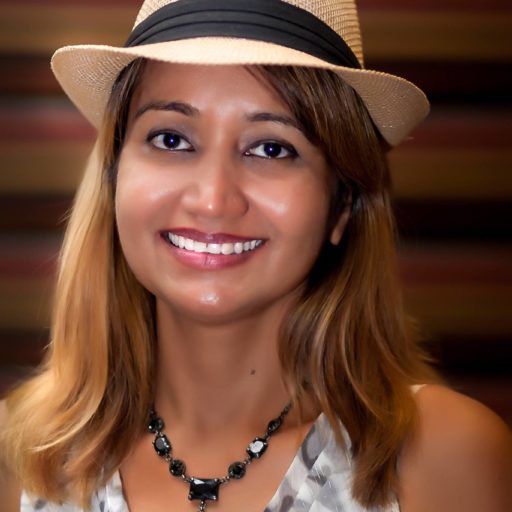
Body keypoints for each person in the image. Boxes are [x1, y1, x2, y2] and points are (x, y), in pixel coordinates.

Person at [1, 1, 511, 511]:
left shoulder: (445, 458)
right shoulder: (14, 456)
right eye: (171, 139)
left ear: (342, 204)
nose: (212, 199)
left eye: (271, 148)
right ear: (115, 178)